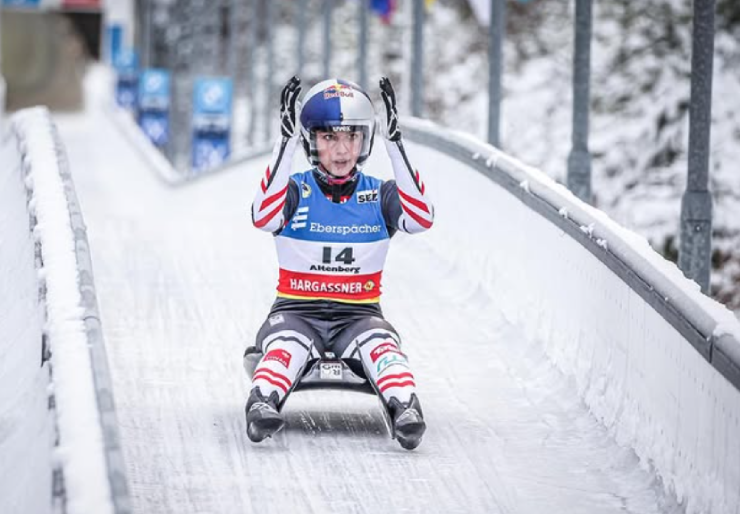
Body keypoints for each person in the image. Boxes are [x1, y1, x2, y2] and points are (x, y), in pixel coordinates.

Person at [246, 76, 434, 450]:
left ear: (364, 140)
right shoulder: (296, 190)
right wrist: (283, 146)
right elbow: (263, 217)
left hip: (359, 314)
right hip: (297, 311)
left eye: (352, 136)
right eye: (329, 137)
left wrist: (396, 147)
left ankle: (406, 411)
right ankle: (261, 406)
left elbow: (421, 218)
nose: (342, 149)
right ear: (311, 141)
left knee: (382, 346)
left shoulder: (379, 194)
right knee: (286, 346)